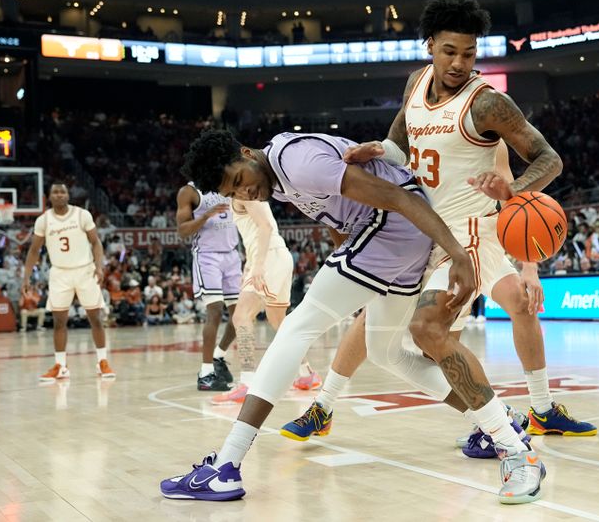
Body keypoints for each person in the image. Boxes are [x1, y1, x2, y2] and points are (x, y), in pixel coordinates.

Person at [285, 0, 595, 501]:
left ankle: (518, 450)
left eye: (468, 54)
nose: (458, 63)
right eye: (450, 51)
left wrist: (514, 191)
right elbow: (400, 144)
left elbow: (549, 158)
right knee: (380, 330)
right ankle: (493, 419)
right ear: (430, 46)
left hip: (468, 232)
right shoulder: (416, 83)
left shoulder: (488, 101)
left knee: (428, 328)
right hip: (419, 233)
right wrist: (374, 152)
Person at [160, 128, 480, 502]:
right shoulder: (276, 180)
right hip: (392, 235)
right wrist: (354, 275)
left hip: (393, 226)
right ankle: (491, 423)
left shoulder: (297, 162)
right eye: (233, 193)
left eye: (238, 181)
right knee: (385, 352)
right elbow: (335, 218)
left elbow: (395, 196)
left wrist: (457, 254)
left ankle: (227, 465)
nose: (244, 193)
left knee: (297, 325)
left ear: (247, 153)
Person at [211, 199, 322, 405]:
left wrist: (258, 265)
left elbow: (266, 226)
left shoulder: (242, 191)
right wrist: (251, 264)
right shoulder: (244, 189)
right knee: (279, 323)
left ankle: (247, 383)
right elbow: (255, 232)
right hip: (276, 256)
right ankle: (306, 373)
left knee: (242, 316)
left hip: (269, 258)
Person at [23, 182, 115, 381]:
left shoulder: (82, 215)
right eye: (55, 192)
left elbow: (96, 242)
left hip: (85, 271)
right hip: (60, 273)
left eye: (62, 191)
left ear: (68, 195)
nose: (59, 195)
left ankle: (102, 362)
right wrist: (27, 276)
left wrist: (99, 267)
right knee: (59, 322)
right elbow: (33, 250)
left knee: (95, 318)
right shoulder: (43, 220)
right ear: (49, 196)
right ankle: (60, 365)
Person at [176, 182, 240, 390]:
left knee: (241, 316)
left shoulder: (231, 184)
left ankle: (218, 357)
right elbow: (182, 231)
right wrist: (204, 216)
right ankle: (205, 374)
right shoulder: (189, 192)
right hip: (207, 256)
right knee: (214, 311)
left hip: (232, 254)